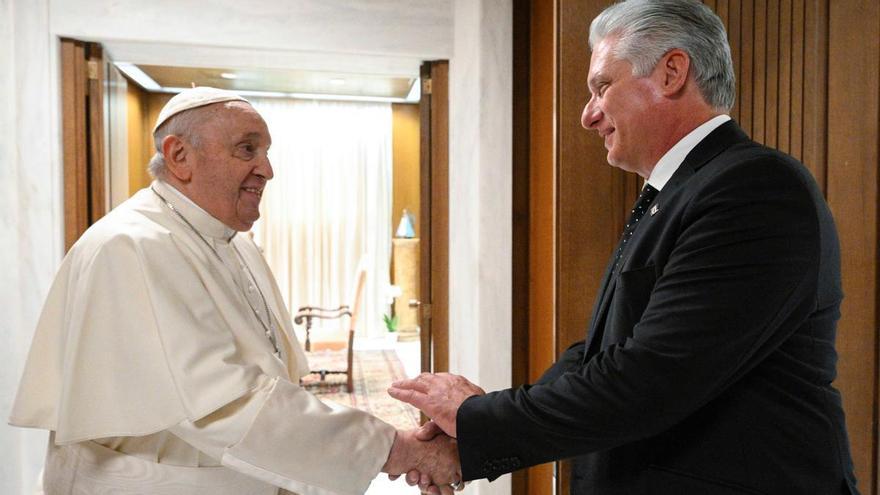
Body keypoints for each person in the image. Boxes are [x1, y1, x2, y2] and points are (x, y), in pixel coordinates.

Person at [389, 1, 859, 493]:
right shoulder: (683, 190)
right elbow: (602, 354)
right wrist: (478, 428)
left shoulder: (753, 187)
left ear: (672, 72)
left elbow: (652, 378)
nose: (588, 115)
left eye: (601, 87)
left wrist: (478, 418)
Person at [9, 86, 460, 495]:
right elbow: (222, 403)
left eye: (265, 152)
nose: (266, 169)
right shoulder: (131, 245)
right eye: (247, 149)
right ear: (179, 155)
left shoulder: (232, 243)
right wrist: (400, 450)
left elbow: (268, 380)